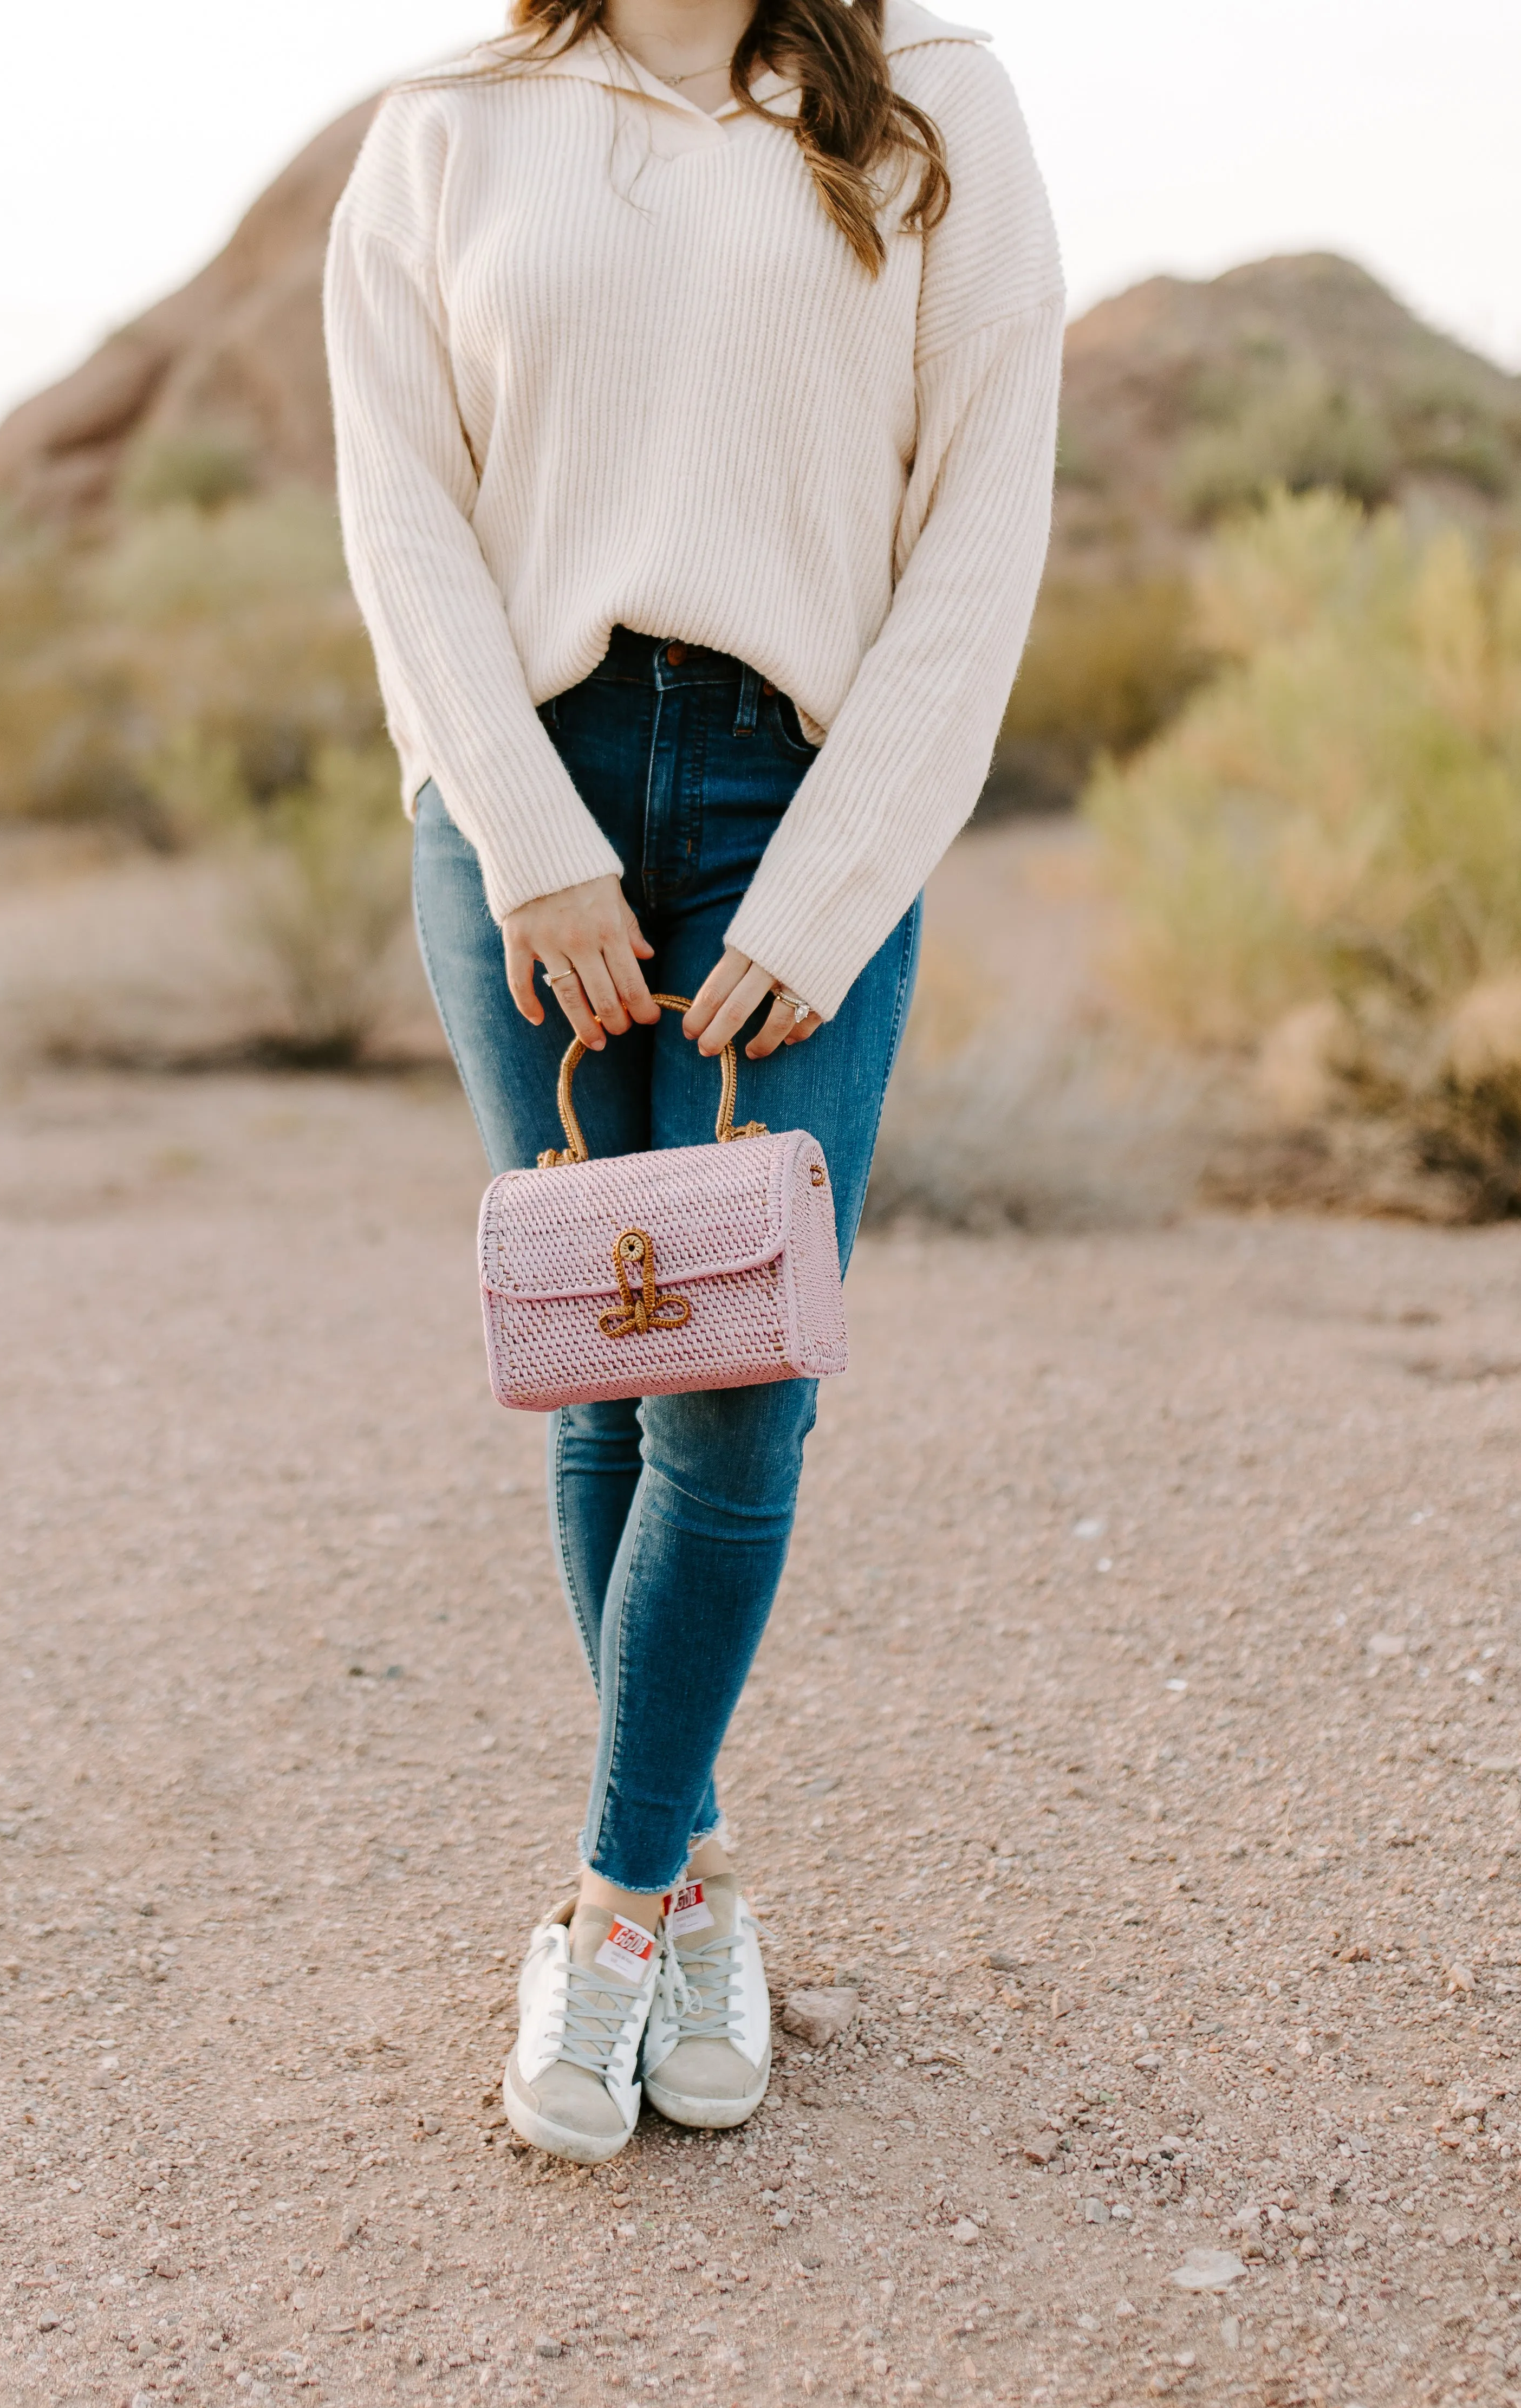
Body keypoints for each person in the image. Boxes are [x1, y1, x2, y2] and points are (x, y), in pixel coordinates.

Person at [326, 0, 1062, 2162]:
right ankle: (692, 1876)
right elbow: (404, 514)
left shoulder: (939, 100)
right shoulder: (447, 131)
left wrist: (829, 889)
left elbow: (983, 525)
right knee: (610, 1348)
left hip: (800, 799)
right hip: (519, 803)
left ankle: (617, 1904)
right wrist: (531, 841)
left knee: (744, 1374)